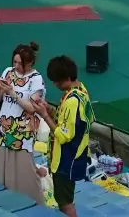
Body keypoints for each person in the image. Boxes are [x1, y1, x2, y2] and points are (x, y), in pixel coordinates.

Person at [33, 56, 93, 217]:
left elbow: (64, 135)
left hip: (66, 160)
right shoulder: (81, 90)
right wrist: (51, 111)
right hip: (72, 157)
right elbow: (69, 121)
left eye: (57, 81)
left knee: (65, 203)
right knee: (64, 200)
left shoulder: (72, 101)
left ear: (67, 78)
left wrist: (45, 115)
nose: (55, 84)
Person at [0, 42, 46, 205]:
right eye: (14, 62)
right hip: (3, 128)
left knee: (25, 172)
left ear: (29, 63)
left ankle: (35, 206)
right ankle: (6, 204)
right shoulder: (8, 72)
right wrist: (0, 89)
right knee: (3, 170)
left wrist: (12, 93)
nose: (15, 66)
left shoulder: (36, 80)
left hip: (23, 132)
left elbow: (32, 107)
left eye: (19, 63)